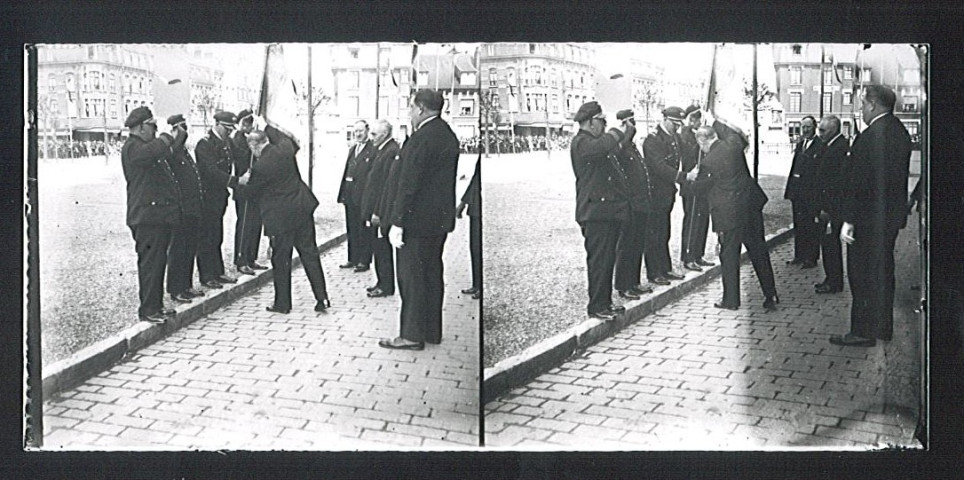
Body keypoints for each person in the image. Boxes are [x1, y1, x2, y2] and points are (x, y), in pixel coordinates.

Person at [378, 89, 460, 350]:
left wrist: (398, 221)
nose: (410, 113)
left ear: (421, 109)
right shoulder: (446, 134)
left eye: (411, 108)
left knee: (412, 277)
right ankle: (431, 330)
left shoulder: (421, 138)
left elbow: (409, 184)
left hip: (416, 221)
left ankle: (411, 334)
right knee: (431, 274)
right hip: (437, 221)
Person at [832, 85, 912, 347]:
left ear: (872, 105)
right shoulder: (900, 132)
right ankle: (881, 328)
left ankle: (862, 331)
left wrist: (849, 220)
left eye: (862, 104)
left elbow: (861, 184)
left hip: (867, 220)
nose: (860, 109)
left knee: (861, 275)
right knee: (882, 273)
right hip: (888, 219)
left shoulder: (869, 137)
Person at [237, 129, 330, 314]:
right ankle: (322, 298)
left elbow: (249, 194)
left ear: (254, 145)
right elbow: (287, 137)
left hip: (280, 219)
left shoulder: (260, 167)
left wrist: (244, 182)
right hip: (302, 209)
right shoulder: (285, 149)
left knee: (281, 260)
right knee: (310, 254)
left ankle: (283, 303)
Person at [688, 122, 778, 312]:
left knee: (729, 256)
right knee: (759, 252)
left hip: (728, 215)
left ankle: (731, 300)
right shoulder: (734, 146)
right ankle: (771, 294)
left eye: (700, 145)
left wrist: (693, 179)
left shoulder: (708, 162)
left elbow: (699, 189)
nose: (701, 149)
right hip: (750, 208)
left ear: (703, 140)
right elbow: (735, 133)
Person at [570, 101, 632, 321]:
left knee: (607, 260)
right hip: (594, 214)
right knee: (598, 261)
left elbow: (613, 149)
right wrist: (617, 132)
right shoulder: (581, 142)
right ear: (589, 122)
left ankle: (604, 302)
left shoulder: (597, 142)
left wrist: (626, 135)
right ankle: (596, 306)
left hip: (606, 212)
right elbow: (602, 146)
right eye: (601, 121)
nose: (604, 125)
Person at [121, 106, 183, 323]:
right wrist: (167, 136)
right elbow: (153, 151)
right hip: (146, 218)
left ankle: (155, 305)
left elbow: (166, 152)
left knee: (157, 264)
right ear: (140, 127)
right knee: (150, 265)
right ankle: (148, 310)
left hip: (157, 217)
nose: (155, 131)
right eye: (152, 126)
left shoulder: (147, 146)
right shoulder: (132, 147)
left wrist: (178, 137)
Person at [194, 111, 243, 289]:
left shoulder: (226, 141)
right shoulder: (204, 144)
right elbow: (210, 171)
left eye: (231, 129)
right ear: (217, 124)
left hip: (219, 196)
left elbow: (239, 156)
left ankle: (218, 272)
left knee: (217, 235)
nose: (229, 132)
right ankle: (207, 276)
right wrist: (234, 182)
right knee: (206, 236)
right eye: (226, 128)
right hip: (207, 197)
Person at [642, 106, 688, 285]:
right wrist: (682, 177)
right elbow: (659, 167)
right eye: (675, 124)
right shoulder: (653, 139)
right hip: (655, 193)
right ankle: (654, 272)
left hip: (667, 192)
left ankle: (665, 268)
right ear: (666, 120)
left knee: (664, 232)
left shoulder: (673, 137)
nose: (677, 128)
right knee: (654, 233)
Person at [612, 109, 654, 301]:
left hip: (640, 202)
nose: (633, 126)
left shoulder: (632, 147)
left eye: (633, 122)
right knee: (626, 245)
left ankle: (634, 282)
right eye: (629, 122)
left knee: (638, 243)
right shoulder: (619, 147)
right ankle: (623, 285)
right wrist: (624, 134)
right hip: (628, 204)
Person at [164, 114, 206, 304]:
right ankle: (176, 289)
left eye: (185, 127)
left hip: (192, 208)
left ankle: (186, 285)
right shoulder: (172, 152)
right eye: (180, 128)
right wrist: (177, 135)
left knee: (189, 248)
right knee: (178, 250)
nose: (184, 131)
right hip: (180, 209)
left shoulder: (184, 152)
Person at [360, 119, 401, 298]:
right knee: (378, 247)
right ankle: (381, 281)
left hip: (381, 210)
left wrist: (377, 211)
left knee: (382, 248)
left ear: (384, 134)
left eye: (374, 134)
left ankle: (386, 285)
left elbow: (386, 186)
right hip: (375, 208)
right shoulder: (382, 150)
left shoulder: (391, 151)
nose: (371, 137)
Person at [813, 115, 849, 294]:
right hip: (829, 205)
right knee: (828, 245)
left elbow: (836, 183)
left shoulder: (838, 148)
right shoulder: (832, 145)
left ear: (833, 130)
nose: (819, 134)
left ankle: (834, 282)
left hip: (831, 208)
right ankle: (830, 278)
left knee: (830, 245)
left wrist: (827, 208)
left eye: (822, 130)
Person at [784, 115, 825, 269]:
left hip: (811, 194)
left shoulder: (820, 145)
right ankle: (799, 255)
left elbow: (820, 172)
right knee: (799, 224)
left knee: (811, 227)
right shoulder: (801, 144)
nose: (805, 130)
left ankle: (811, 258)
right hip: (798, 194)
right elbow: (794, 168)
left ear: (814, 127)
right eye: (803, 127)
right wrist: (790, 191)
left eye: (808, 127)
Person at [231, 109, 266, 276]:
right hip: (244, 189)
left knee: (256, 224)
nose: (250, 126)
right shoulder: (237, 139)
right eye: (247, 123)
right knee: (245, 224)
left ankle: (251, 257)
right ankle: (241, 259)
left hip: (256, 189)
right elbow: (241, 158)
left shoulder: (253, 138)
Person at [337, 120, 375, 272]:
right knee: (351, 228)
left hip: (363, 197)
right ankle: (352, 258)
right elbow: (347, 171)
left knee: (363, 229)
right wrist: (342, 194)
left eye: (360, 131)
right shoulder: (353, 149)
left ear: (367, 130)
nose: (358, 134)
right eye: (355, 131)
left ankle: (364, 261)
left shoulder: (372, 149)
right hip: (350, 196)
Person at [679, 105, 713, 272]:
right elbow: (688, 157)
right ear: (692, 119)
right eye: (698, 120)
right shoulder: (685, 135)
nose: (700, 123)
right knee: (692, 221)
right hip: (691, 185)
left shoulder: (701, 134)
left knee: (703, 220)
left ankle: (698, 254)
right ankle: (688, 256)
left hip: (703, 185)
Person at [457, 158, 482, 300]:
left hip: (480, 209)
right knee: (474, 248)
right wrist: (463, 202)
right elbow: (474, 180)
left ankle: (480, 286)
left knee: (479, 249)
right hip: (475, 209)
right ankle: (476, 283)